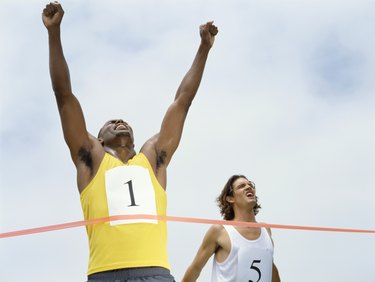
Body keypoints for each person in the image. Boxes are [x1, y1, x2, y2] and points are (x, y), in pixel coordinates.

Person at [42, 2, 218, 281]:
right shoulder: (91, 158)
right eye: (111, 123)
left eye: (124, 121)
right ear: (99, 139)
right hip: (104, 274)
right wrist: (54, 33)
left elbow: (183, 101)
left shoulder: (152, 158)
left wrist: (204, 49)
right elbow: (63, 95)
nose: (119, 120)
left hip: (155, 272)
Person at [182, 175, 281, 282]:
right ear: (230, 198)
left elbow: (270, 268)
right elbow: (195, 269)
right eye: (241, 186)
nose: (249, 187)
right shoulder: (220, 231)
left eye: (250, 185)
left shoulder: (266, 230)